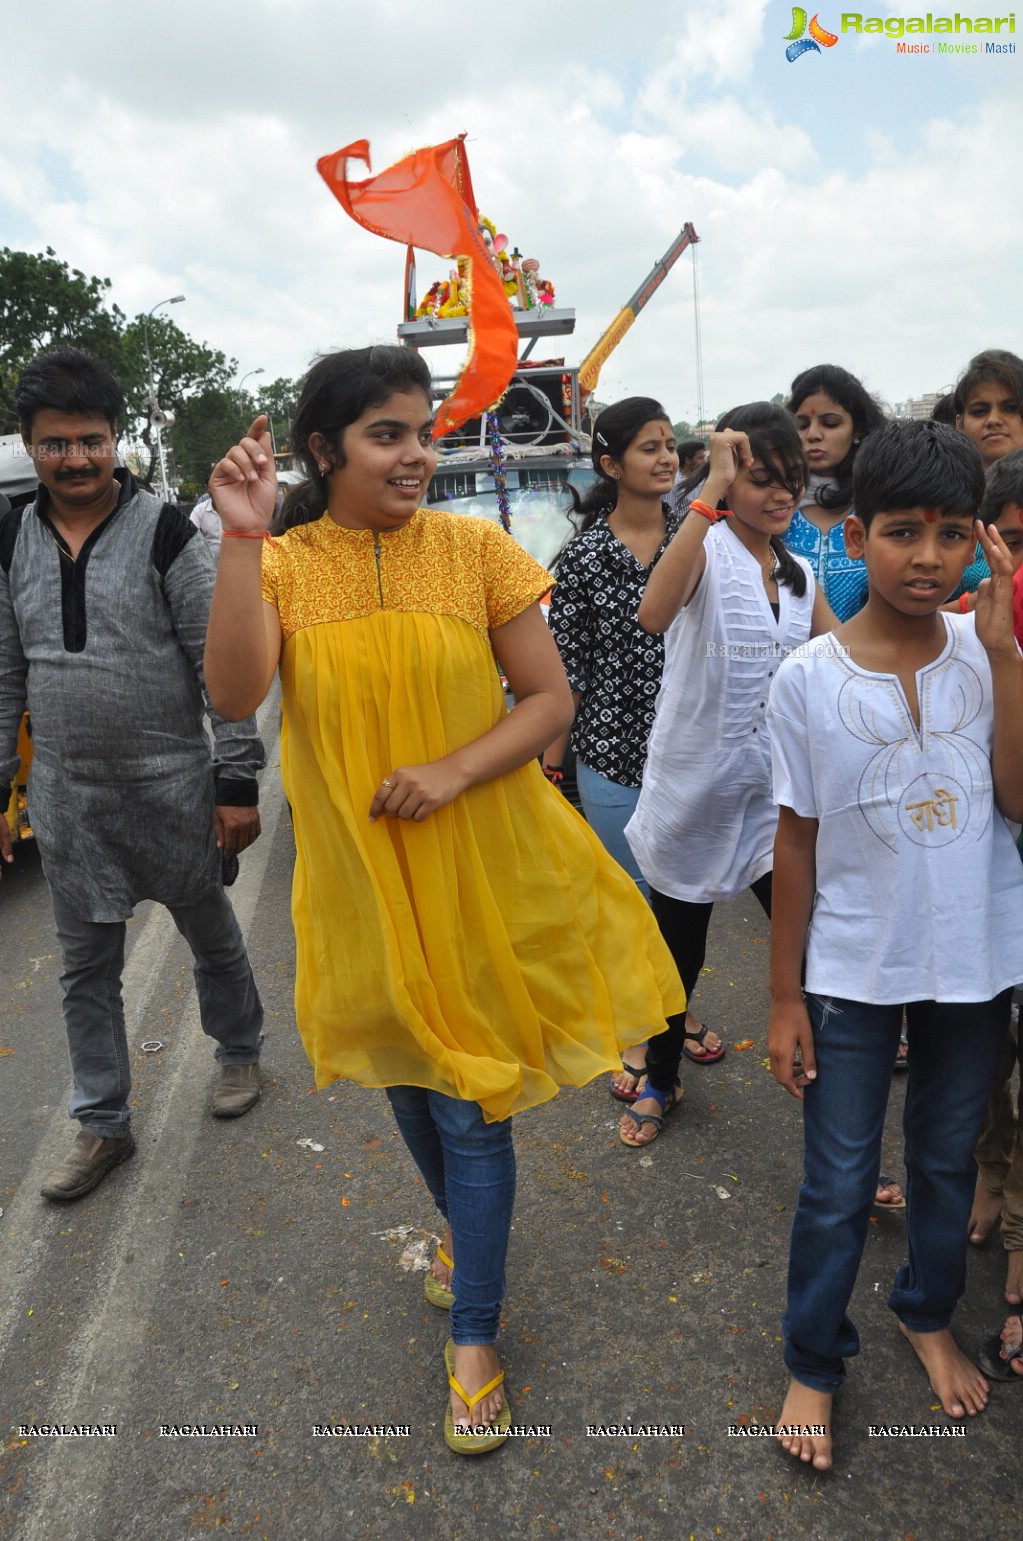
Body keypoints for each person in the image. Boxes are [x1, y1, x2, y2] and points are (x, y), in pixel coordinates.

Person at [202, 345, 683, 1453]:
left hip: (478, 859)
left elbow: (549, 699)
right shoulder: (279, 564)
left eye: (423, 431)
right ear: (324, 450)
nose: (418, 454)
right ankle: (468, 1247)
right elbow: (232, 691)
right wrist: (237, 535)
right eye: (389, 434)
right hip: (359, 877)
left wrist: (454, 771)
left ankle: (476, 1333)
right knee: (410, 1080)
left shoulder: (476, 549)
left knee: (470, 1099)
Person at [767, 419, 1023, 1472]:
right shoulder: (807, 679)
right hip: (851, 969)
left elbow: (1016, 795)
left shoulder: (989, 652)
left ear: (979, 543)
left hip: (973, 960)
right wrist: (783, 996)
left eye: (951, 533)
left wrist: (1004, 652)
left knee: (944, 1159)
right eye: (902, 531)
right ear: (858, 536)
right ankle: (812, 1361)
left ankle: (927, 1311)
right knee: (835, 1179)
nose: (927, 556)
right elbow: (796, 840)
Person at [0, 347, 266, 1203]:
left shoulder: (165, 532)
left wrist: (235, 783)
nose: (74, 458)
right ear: (28, 443)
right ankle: (102, 1122)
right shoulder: (9, 537)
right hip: (70, 800)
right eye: (54, 443)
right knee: (85, 970)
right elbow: (5, 672)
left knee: (211, 936)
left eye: (90, 439)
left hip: (170, 786)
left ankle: (236, 1052)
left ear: (118, 440)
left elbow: (218, 664)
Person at [620, 403, 835, 1148]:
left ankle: (837, 1114)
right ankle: (662, 1077)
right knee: (678, 957)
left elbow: (843, 658)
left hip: (774, 803)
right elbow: (651, 612)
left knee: (812, 947)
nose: (780, 495)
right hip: (695, 795)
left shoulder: (799, 575)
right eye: (763, 479)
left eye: (792, 481)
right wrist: (708, 484)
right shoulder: (705, 549)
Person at [544, 399, 721, 1098]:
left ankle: (666, 1018)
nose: (664, 458)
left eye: (668, 445)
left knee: (678, 901)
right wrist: (553, 764)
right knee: (634, 898)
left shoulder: (703, 535)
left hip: (689, 751)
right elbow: (569, 670)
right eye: (646, 448)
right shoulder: (584, 556)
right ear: (611, 464)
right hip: (612, 754)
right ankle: (640, 1028)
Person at [784, 363, 886, 622]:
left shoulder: (881, 506)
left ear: (858, 429)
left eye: (830, 423)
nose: (813, 434)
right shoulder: (773, 510)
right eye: (802, 424)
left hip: (864, 659)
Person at [953, 348, 1023, 471]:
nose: (993, 420)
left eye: (1010, 408)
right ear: (960, 425)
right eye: (980, 411)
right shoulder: (939, 488)